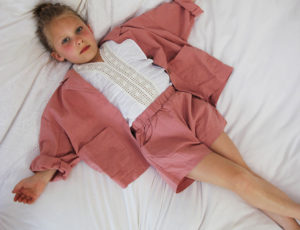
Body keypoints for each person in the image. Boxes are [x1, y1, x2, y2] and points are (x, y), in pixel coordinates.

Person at [12, 1, 300, 229]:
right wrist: (41, 177)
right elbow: (61, 134)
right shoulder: (71, 92)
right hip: (159, 139)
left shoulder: (124, 38)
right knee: (239, 180)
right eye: (64, 42)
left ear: (87, 26)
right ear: (57, 57)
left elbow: (168, 18)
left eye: (77, 30)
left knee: (246, 175)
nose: (77, 41)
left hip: (185, 107)